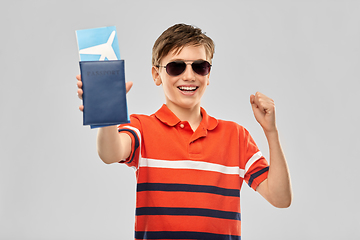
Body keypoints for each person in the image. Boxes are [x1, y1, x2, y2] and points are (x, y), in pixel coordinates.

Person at [76, 23, 292, 240]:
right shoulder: (141, 128)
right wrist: (107, 114)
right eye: (176, 67)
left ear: (208, 75)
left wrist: (271, 132)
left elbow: (280, 198)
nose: (189, 76)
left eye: (199, 66)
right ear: (156, 74)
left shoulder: (236, 136)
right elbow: (109, 153)